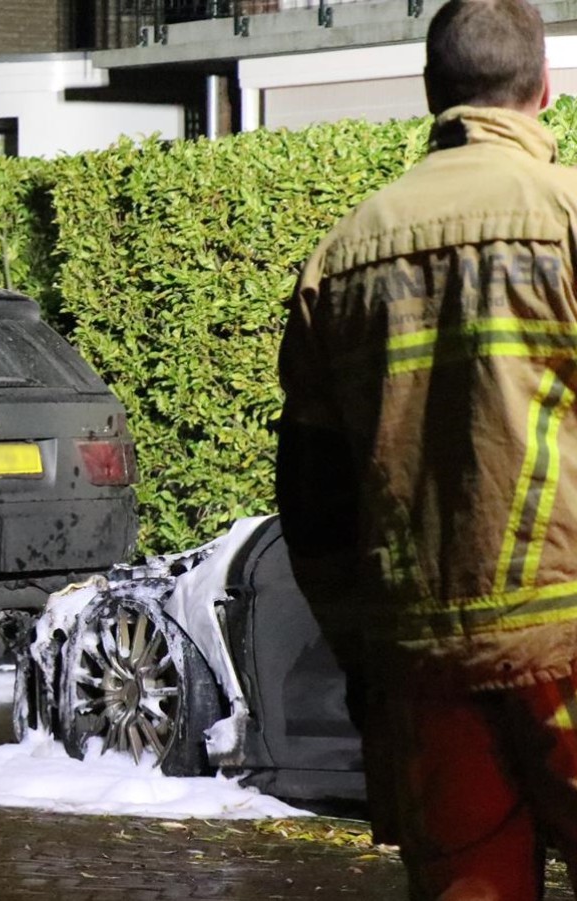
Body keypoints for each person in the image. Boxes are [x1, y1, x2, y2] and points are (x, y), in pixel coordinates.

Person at [276, 1, 577, 897]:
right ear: (544, 90)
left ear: (430, 94)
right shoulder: (565, 215)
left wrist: (365, 656)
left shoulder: (342, 255)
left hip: (423, 665)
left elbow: (314, 492)